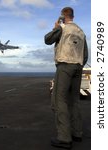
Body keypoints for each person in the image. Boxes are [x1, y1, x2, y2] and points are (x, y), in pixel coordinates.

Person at [44, 7, 88, 149]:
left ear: (63, 16)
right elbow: (85, 54)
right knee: (74, 100)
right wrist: (79, 66)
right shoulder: (81, 31)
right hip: (78, 66)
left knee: (59, 100)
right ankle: (77, 133)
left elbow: (47, 40)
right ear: (73, 16)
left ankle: (64, 138)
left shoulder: (62, 28)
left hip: (65, 66)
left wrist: (56, 27)